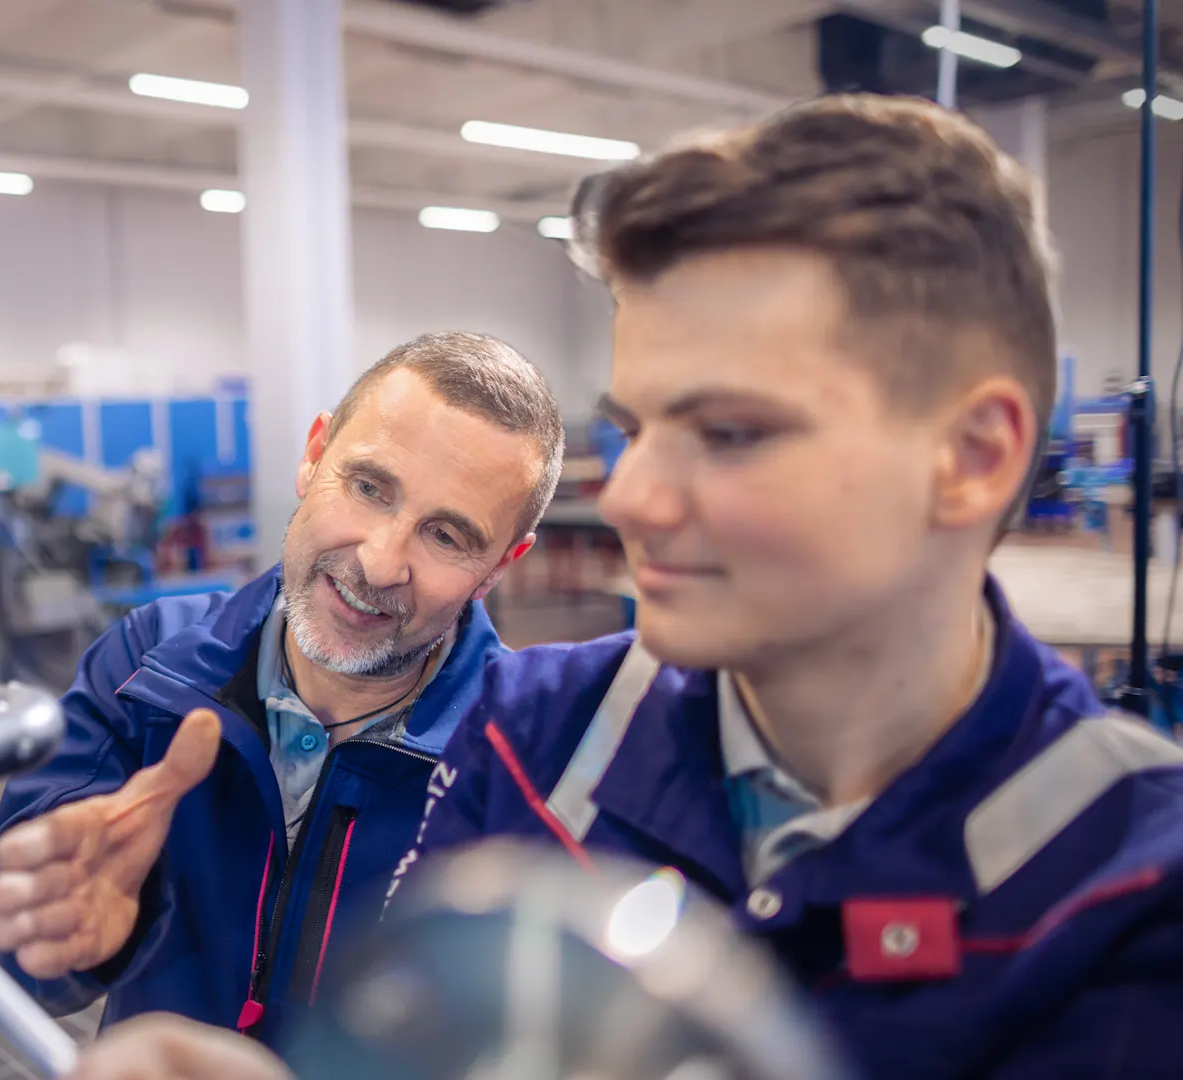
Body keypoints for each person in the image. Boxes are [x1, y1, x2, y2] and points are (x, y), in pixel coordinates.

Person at [394, 94, 1183, 1078]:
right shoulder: (527, 737)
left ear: (973, 458)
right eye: (633, 429)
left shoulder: (1133, 883)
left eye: (728, 433)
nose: (632, 497)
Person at [0, 332, 566, 1045]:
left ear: (499, 567)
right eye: (369, 488)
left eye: (447, 536)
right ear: (315, 456)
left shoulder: (517, 760)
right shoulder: (151, 666)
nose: (378, 561)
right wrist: (63, 925)